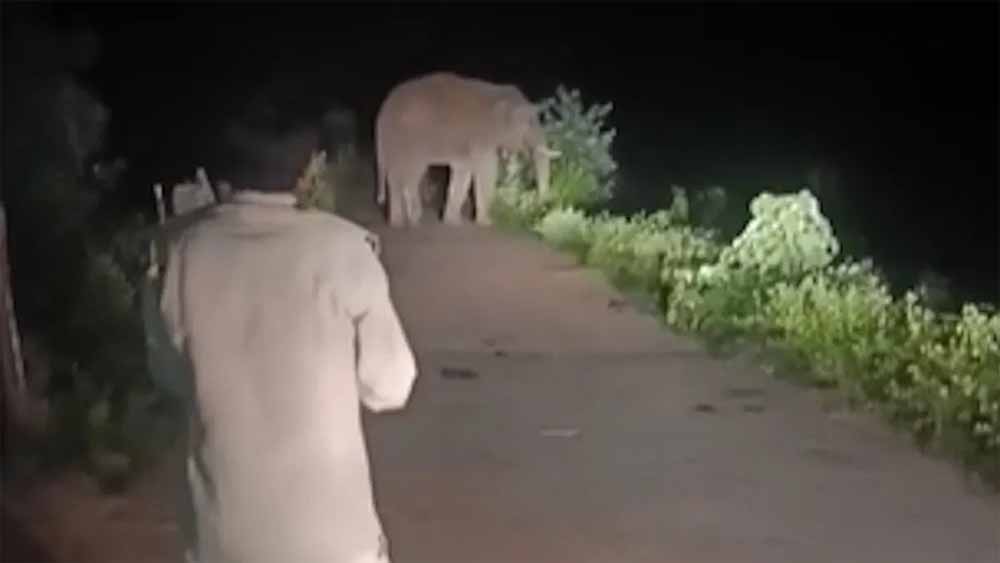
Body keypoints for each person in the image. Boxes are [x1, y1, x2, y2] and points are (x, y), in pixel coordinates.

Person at [158, 113, 418, 563]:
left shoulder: (181, 252)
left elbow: (168, 372)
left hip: (223, 534)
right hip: (334, 535)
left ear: (219, 172)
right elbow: (391, 385)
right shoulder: (344, 248)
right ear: (308, 170)